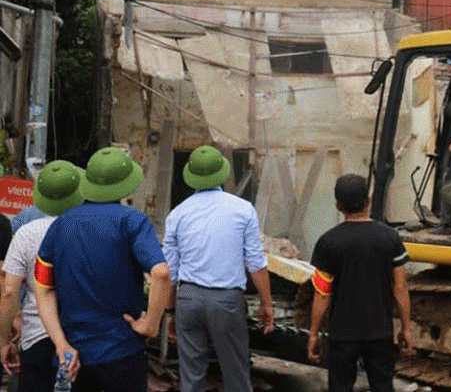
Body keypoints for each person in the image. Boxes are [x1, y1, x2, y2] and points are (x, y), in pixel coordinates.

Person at [35, 147, 171, 392]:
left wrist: (60, 343)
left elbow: (43, 289)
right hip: (122, 352)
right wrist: (151, 324)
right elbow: (161, 273)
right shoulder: (133, 221)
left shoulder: (59, 225)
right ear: (127, 185)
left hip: (72, 356)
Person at [162, 145, 274, 392]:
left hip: (188, 299)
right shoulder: (242, 209)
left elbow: (170, 271)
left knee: (191, 377)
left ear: (191, 177)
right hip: (226, 302)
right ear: (223, 174)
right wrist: (267, 304)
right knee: (236, 372)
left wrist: (170, 311)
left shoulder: (177, 214)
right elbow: (256, 263)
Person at [307, 174, 412, 392]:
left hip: (342, 334)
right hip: (380, 332)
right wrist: (406, 328)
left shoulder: (328, 242)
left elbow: (322, 293)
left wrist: (314, 333)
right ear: (368, 201)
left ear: (338, 205)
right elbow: (400, 287)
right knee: (383, 386)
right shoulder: (390, 237)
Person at [0, 160, 85, 391]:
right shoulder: (88, 230)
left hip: (35, 336)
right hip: (81, 335)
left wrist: (4, 339)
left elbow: (9, 290)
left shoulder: (26, 233)